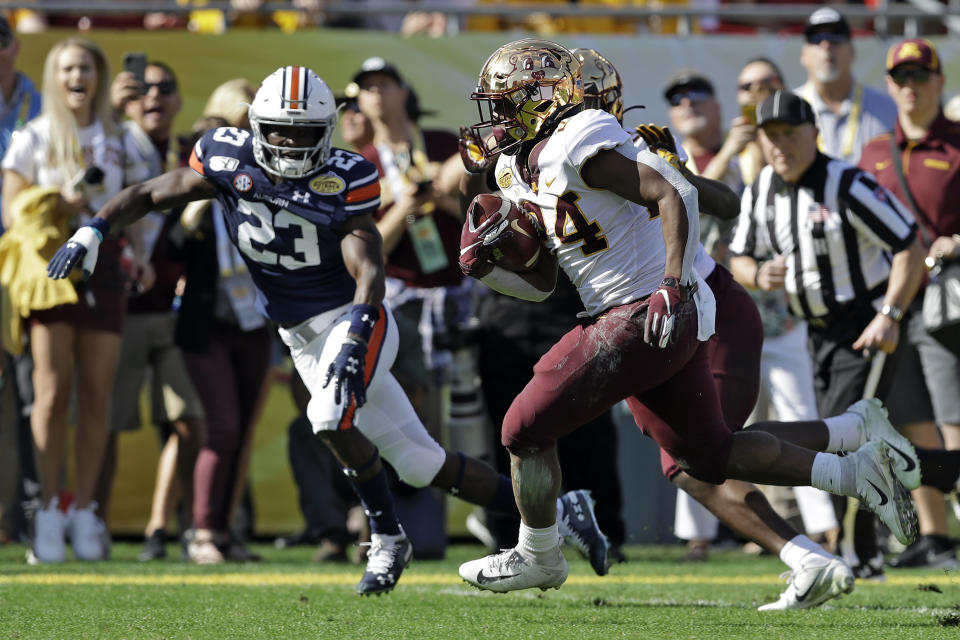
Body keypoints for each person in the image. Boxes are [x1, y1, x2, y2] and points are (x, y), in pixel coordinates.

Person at [47, 65, 608, 593]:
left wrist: (358, 332)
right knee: (419, 464)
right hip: (299, 336)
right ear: (257, 126)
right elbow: (150, 193)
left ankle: (386, 539)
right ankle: (562, 512)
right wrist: (93, 230)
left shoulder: (345, 175)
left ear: (327, 130)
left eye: (304, 133)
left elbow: (369, 268)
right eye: (281, 133)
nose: (291, 145)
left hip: (354, 317)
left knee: (326, 415)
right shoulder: (225, 157)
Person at [454, 38, 917, 600]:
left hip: (648, 308)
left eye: (505, 104)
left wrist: (673, 281)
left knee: (521, 428)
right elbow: (546, 282)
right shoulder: (514, 168)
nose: (496, 119)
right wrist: (488, 265)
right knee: (706, 457)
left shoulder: (582, 139)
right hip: (635, 310)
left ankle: (538, 553)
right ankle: (854, 471)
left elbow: (682, 193)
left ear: (541, 99)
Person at [571, 46, 843, 609]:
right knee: (695, 456)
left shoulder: (636, 149)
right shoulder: (554, 166)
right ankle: (832, 489)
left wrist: (673, 174)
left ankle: (844, 490)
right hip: (659, 316)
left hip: (704, 303)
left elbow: (714, 201)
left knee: (701, 453)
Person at [728, 91, 927, 579]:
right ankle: (938, 475)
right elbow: (737, 259)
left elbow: (908, 245)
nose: (780, 146)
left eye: (790, 134)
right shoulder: (760, 190)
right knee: (841, 440)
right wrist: (758, 274)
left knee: (843, 438)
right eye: (770, 136)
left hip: (863, 323)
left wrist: (889, 314)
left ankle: (860, 555)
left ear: (814, 132)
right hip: (813, 333)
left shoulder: (847, 183)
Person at [2, 37, 151, 563]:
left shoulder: (120, 139)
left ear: (100, 75)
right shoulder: (33, 136)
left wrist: (140, 252)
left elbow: (140, 202)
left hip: (106, 267)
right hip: (50, 270)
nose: (76, 76)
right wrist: (57, 204)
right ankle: (46, 512)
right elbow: (12, 211)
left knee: (96, 395)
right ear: (53, 76)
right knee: (49, 395)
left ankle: (84, 509)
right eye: (66, 68)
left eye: (85, 67)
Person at [94, 60, 206, 562]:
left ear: (180, 99)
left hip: (175, 312)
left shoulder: (190, 154)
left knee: (190, 422)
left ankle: (172, 527)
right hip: (122, 307)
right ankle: (90, 521)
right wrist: (112, 113)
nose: (154, 97)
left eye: (166, 87)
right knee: (108, 422)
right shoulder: (116, 144)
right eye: (144, 89)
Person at [859, 38, 960, 569]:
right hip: (890, 305)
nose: (910, 86)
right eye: (901, 77)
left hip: (949, 304)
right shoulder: (874, 153)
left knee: (954, 415)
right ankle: (938, 537)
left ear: (940, 82)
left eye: (921, 75)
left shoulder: (959, 145)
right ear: (890, 85)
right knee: (911, 420)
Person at [795, 7, 896, 166]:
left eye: (835, 37)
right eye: (816, 38)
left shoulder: (888, 109)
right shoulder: (788, 108)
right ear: (803, 55)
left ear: (852, 51)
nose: (826, 45)